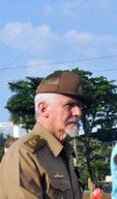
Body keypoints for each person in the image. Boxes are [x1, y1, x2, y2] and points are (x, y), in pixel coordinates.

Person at [0, 70, 93, 198]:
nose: (78, 112)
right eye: (70, 105)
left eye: (79, 106)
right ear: (43, 109)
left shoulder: (62, 153)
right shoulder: (24, 155)